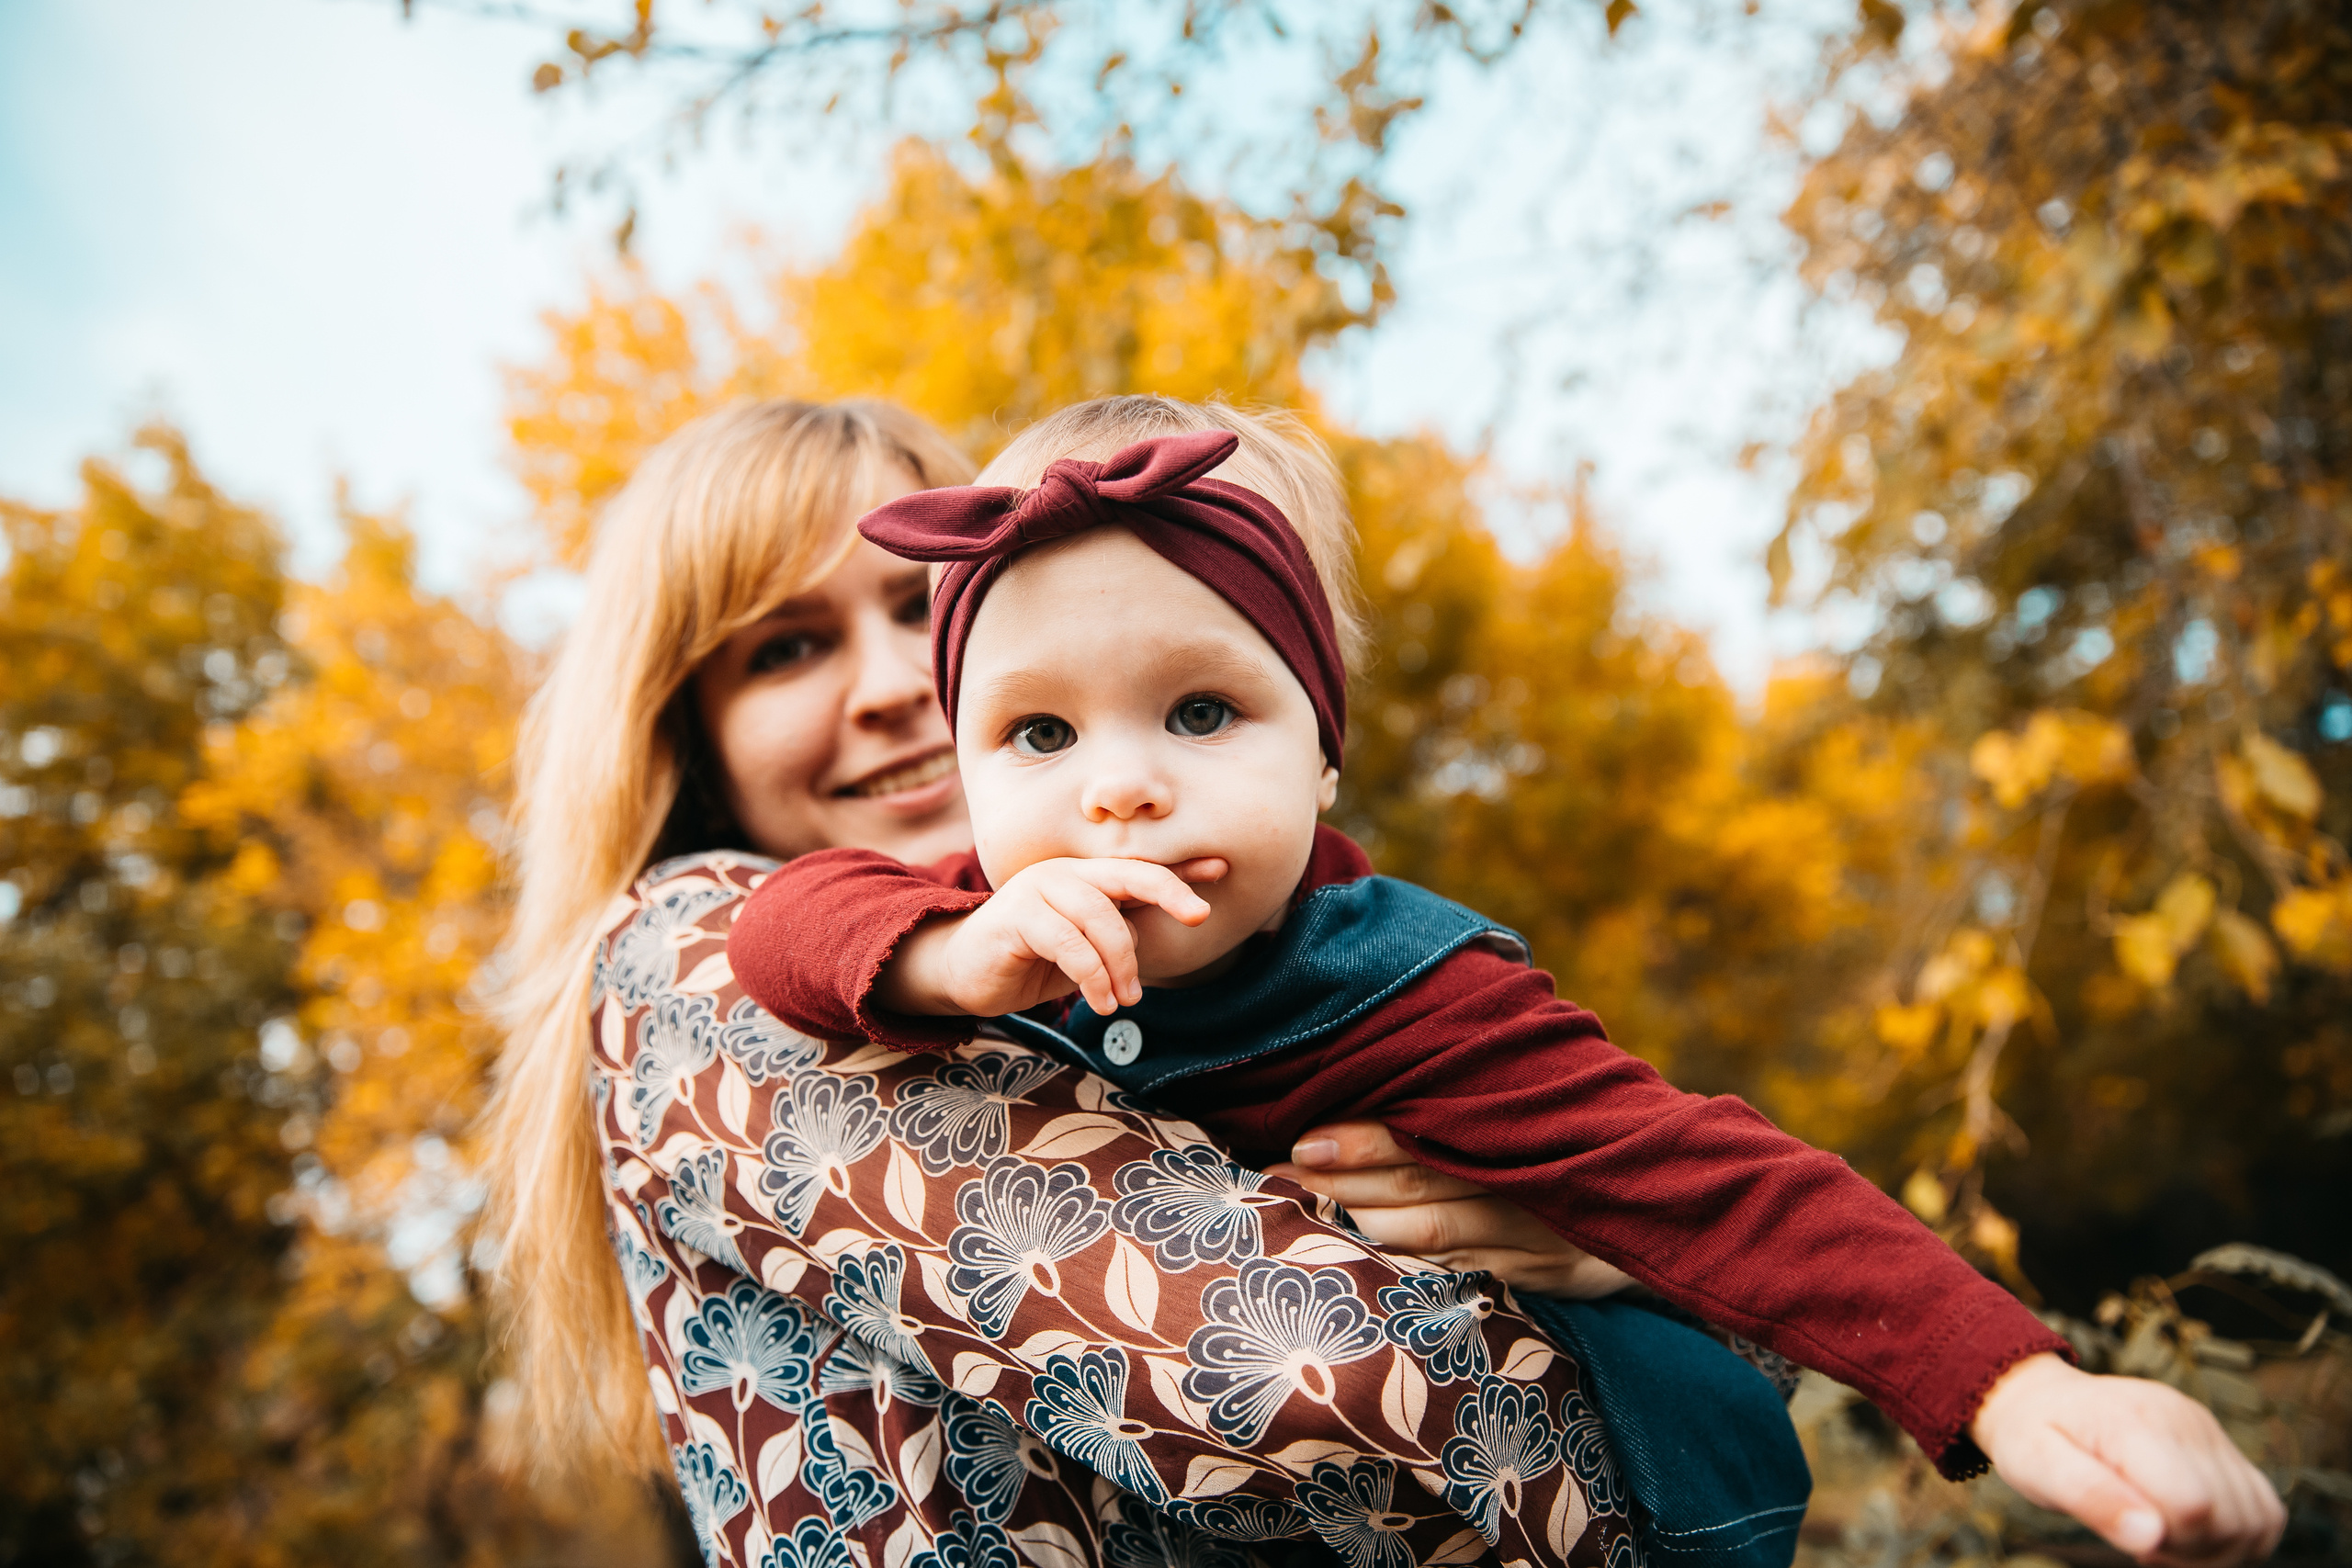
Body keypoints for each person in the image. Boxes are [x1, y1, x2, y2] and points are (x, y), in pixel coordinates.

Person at [729, 397, 2288, 1568]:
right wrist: (945, 958)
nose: (1118, 791)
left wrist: (2013, 1387)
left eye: (1201, 713)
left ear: (1323, 745)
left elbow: (1724, 1187)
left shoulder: (1416, 993)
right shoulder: (961, 916)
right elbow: (776, 932)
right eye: (1038, 736)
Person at [481, 399, 1677, 1568]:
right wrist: (1600, 1307)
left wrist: (1609, 1244)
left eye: (919, 605)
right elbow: (1323, 1373)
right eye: (787, 647)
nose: (899, 681)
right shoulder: (687, 961)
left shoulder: (1207, 973)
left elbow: (1754, 1324)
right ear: (684, 734)